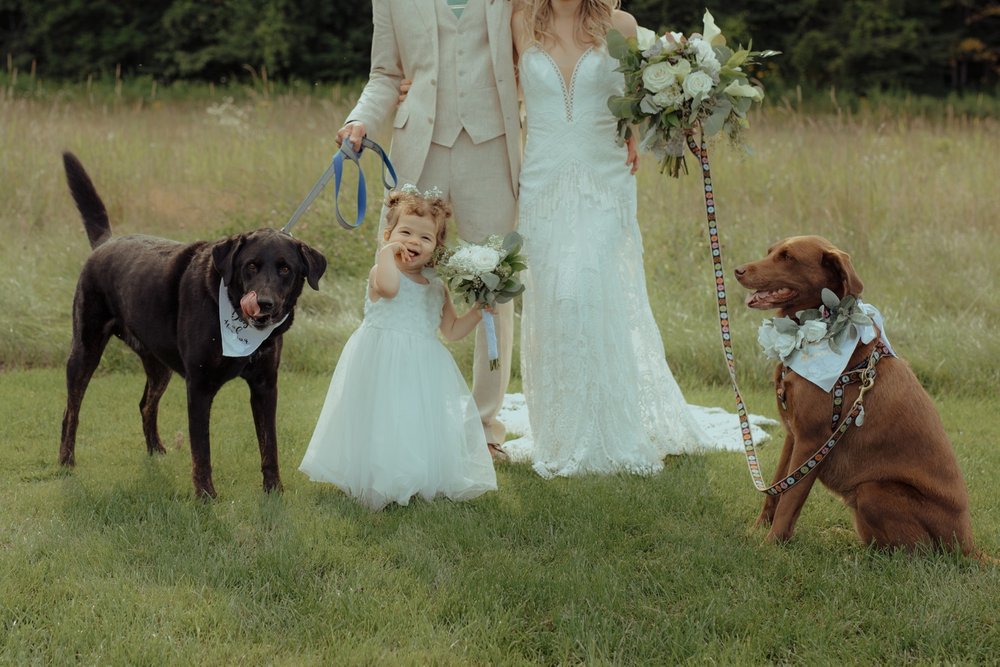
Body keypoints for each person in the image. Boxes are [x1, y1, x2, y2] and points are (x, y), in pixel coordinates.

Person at [511, 0, 742, 477]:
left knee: (589, 290)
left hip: (605, 177)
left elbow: (637, 97)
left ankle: (608, 429)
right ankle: (559, 430)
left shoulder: (619, 25)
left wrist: (668, 114)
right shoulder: (519, 20)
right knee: (555, 297)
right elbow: (494, 89)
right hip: (542, 180)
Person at [336, 0, 520, 461]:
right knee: (397, 279)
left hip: (492, 149)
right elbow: (384, 73)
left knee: (494, 288)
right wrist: (359, 119)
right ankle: (388, 423)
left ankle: (485, 428)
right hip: (420, 147)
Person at [299, 186, 497, 510]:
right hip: (381, 360)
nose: (413, 242)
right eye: (405, 233)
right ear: (388, 234)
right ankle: (377, 478)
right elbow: (390, 289)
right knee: (381, 419)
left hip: (421, 367)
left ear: (436, 247)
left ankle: (411, 476)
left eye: (425, 238)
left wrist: (477, 312)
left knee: (411, 422)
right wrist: (386, 252)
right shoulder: (382, 270)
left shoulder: (436, 286)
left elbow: (451, 330)